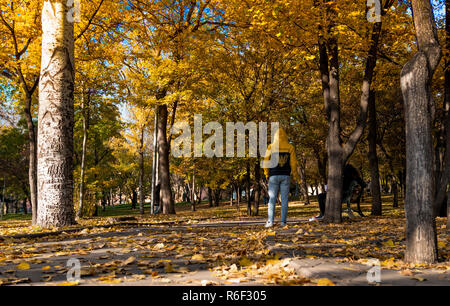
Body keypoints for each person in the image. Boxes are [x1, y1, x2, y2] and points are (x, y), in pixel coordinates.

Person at [262, 127, 299, 227]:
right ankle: (283, 222)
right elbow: (294, 163)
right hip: (286, 176)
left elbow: (265, 162)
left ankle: (270, 222)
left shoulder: (270, 147)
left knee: (272, 199)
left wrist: (266, 174)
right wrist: (295, 176)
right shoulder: (290, 147)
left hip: (273, 176)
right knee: (285, 199)